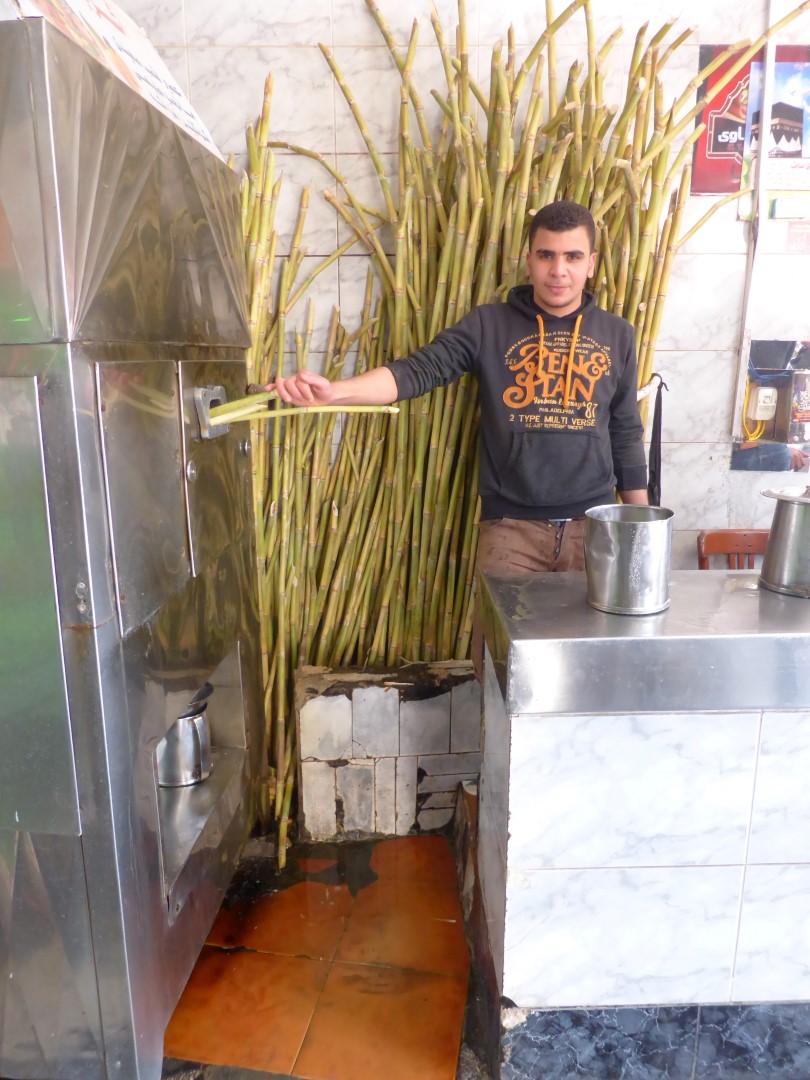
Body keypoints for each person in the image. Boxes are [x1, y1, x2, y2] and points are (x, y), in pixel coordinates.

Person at [271, 199, 648, 578]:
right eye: (546, 255)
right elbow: (417, 371)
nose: (558, 270)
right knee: (500, 621)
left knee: (591, 620)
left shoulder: (617, 334)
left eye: (573, 257)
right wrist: (334, 393)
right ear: (529, 260)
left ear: (591, 263)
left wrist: (642, 529)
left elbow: (626, 433)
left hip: (594, 528)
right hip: (511, 531)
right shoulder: (488, 325)